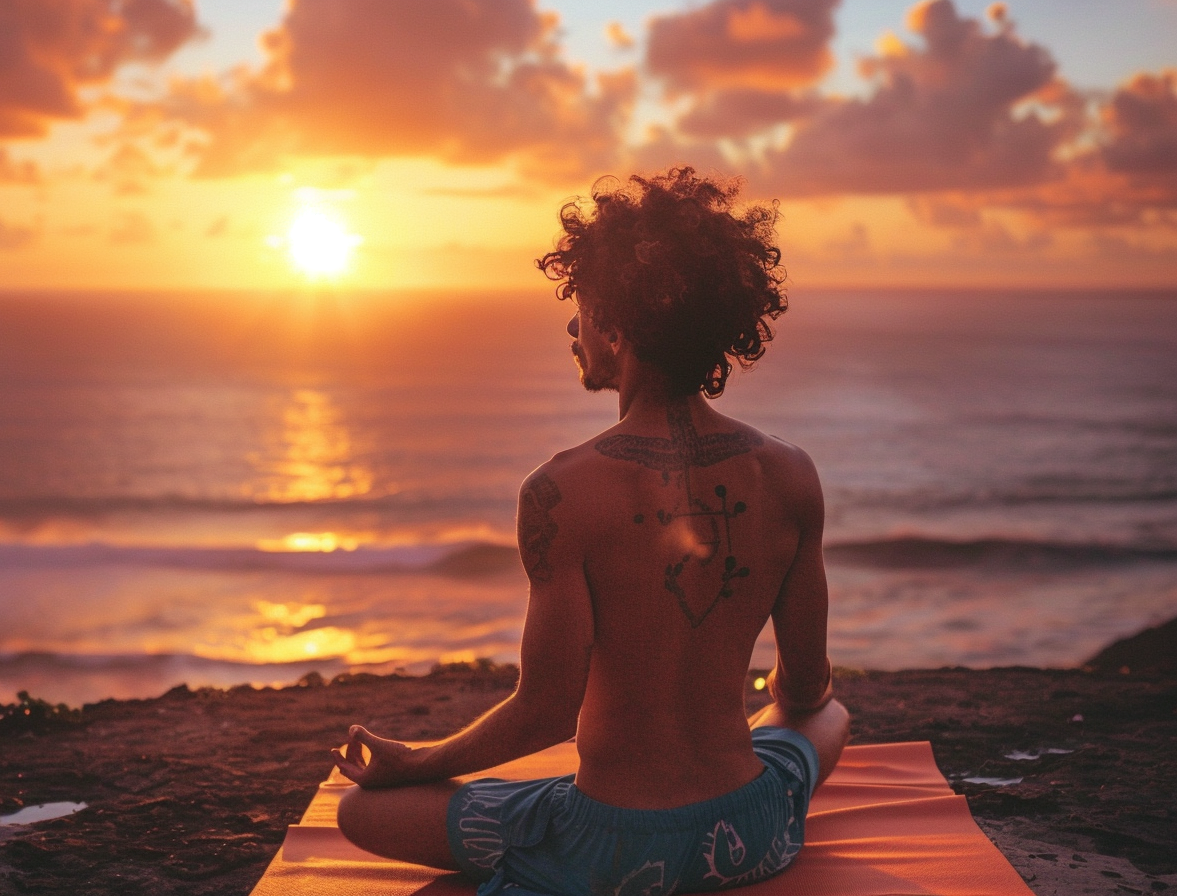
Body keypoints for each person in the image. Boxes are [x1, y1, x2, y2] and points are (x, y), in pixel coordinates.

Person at [332, 167, 850, 896]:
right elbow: (808, 682)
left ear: (618, 323)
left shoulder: (561, 492)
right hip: (753, 831)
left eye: (583, 309)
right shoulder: (790, 473)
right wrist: (777, 702)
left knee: (362, 814)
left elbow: (545, 712)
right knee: (825, 718)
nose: (574, 329)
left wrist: (415, 762)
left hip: (609, 849)